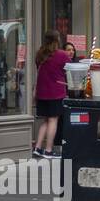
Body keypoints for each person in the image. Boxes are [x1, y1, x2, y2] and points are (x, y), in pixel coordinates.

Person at [32, 31, 72, 159]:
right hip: (56, 92)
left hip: (41, 92)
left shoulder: (40, 54)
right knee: (53, 120)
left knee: (45, 120)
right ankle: (49, 150)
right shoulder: (61, 55)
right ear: (57, 40)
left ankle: (38, 148)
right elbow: (70, 70)